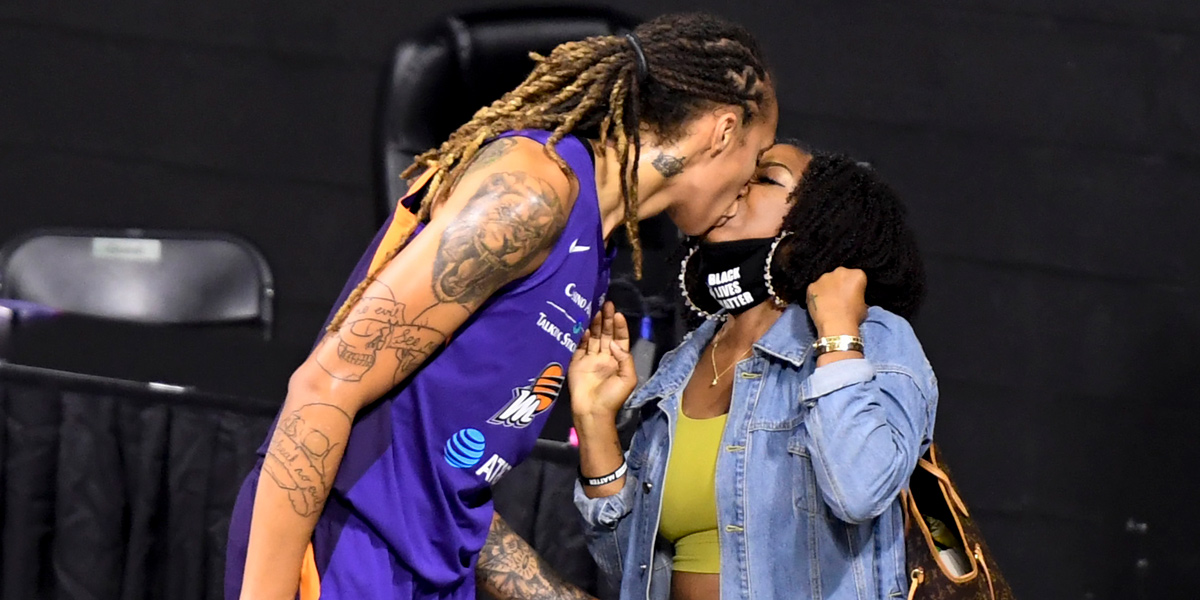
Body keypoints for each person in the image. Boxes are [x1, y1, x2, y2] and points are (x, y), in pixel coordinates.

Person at [225, 12, 779, 600]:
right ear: (723, 131)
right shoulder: (536, 188)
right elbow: (322, 388)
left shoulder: (594, 249)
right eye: (759, 154)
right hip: (341, 555)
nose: (749, 183)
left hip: (417, 572)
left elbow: (439, 482)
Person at [569, 144, 937, 600]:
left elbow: (859, 492)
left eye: (766, 178)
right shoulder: (681, 367)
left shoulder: (873, 336)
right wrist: (595, 421)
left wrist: (838, 328)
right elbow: (625, 569)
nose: (738, 186)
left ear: (821, 219)